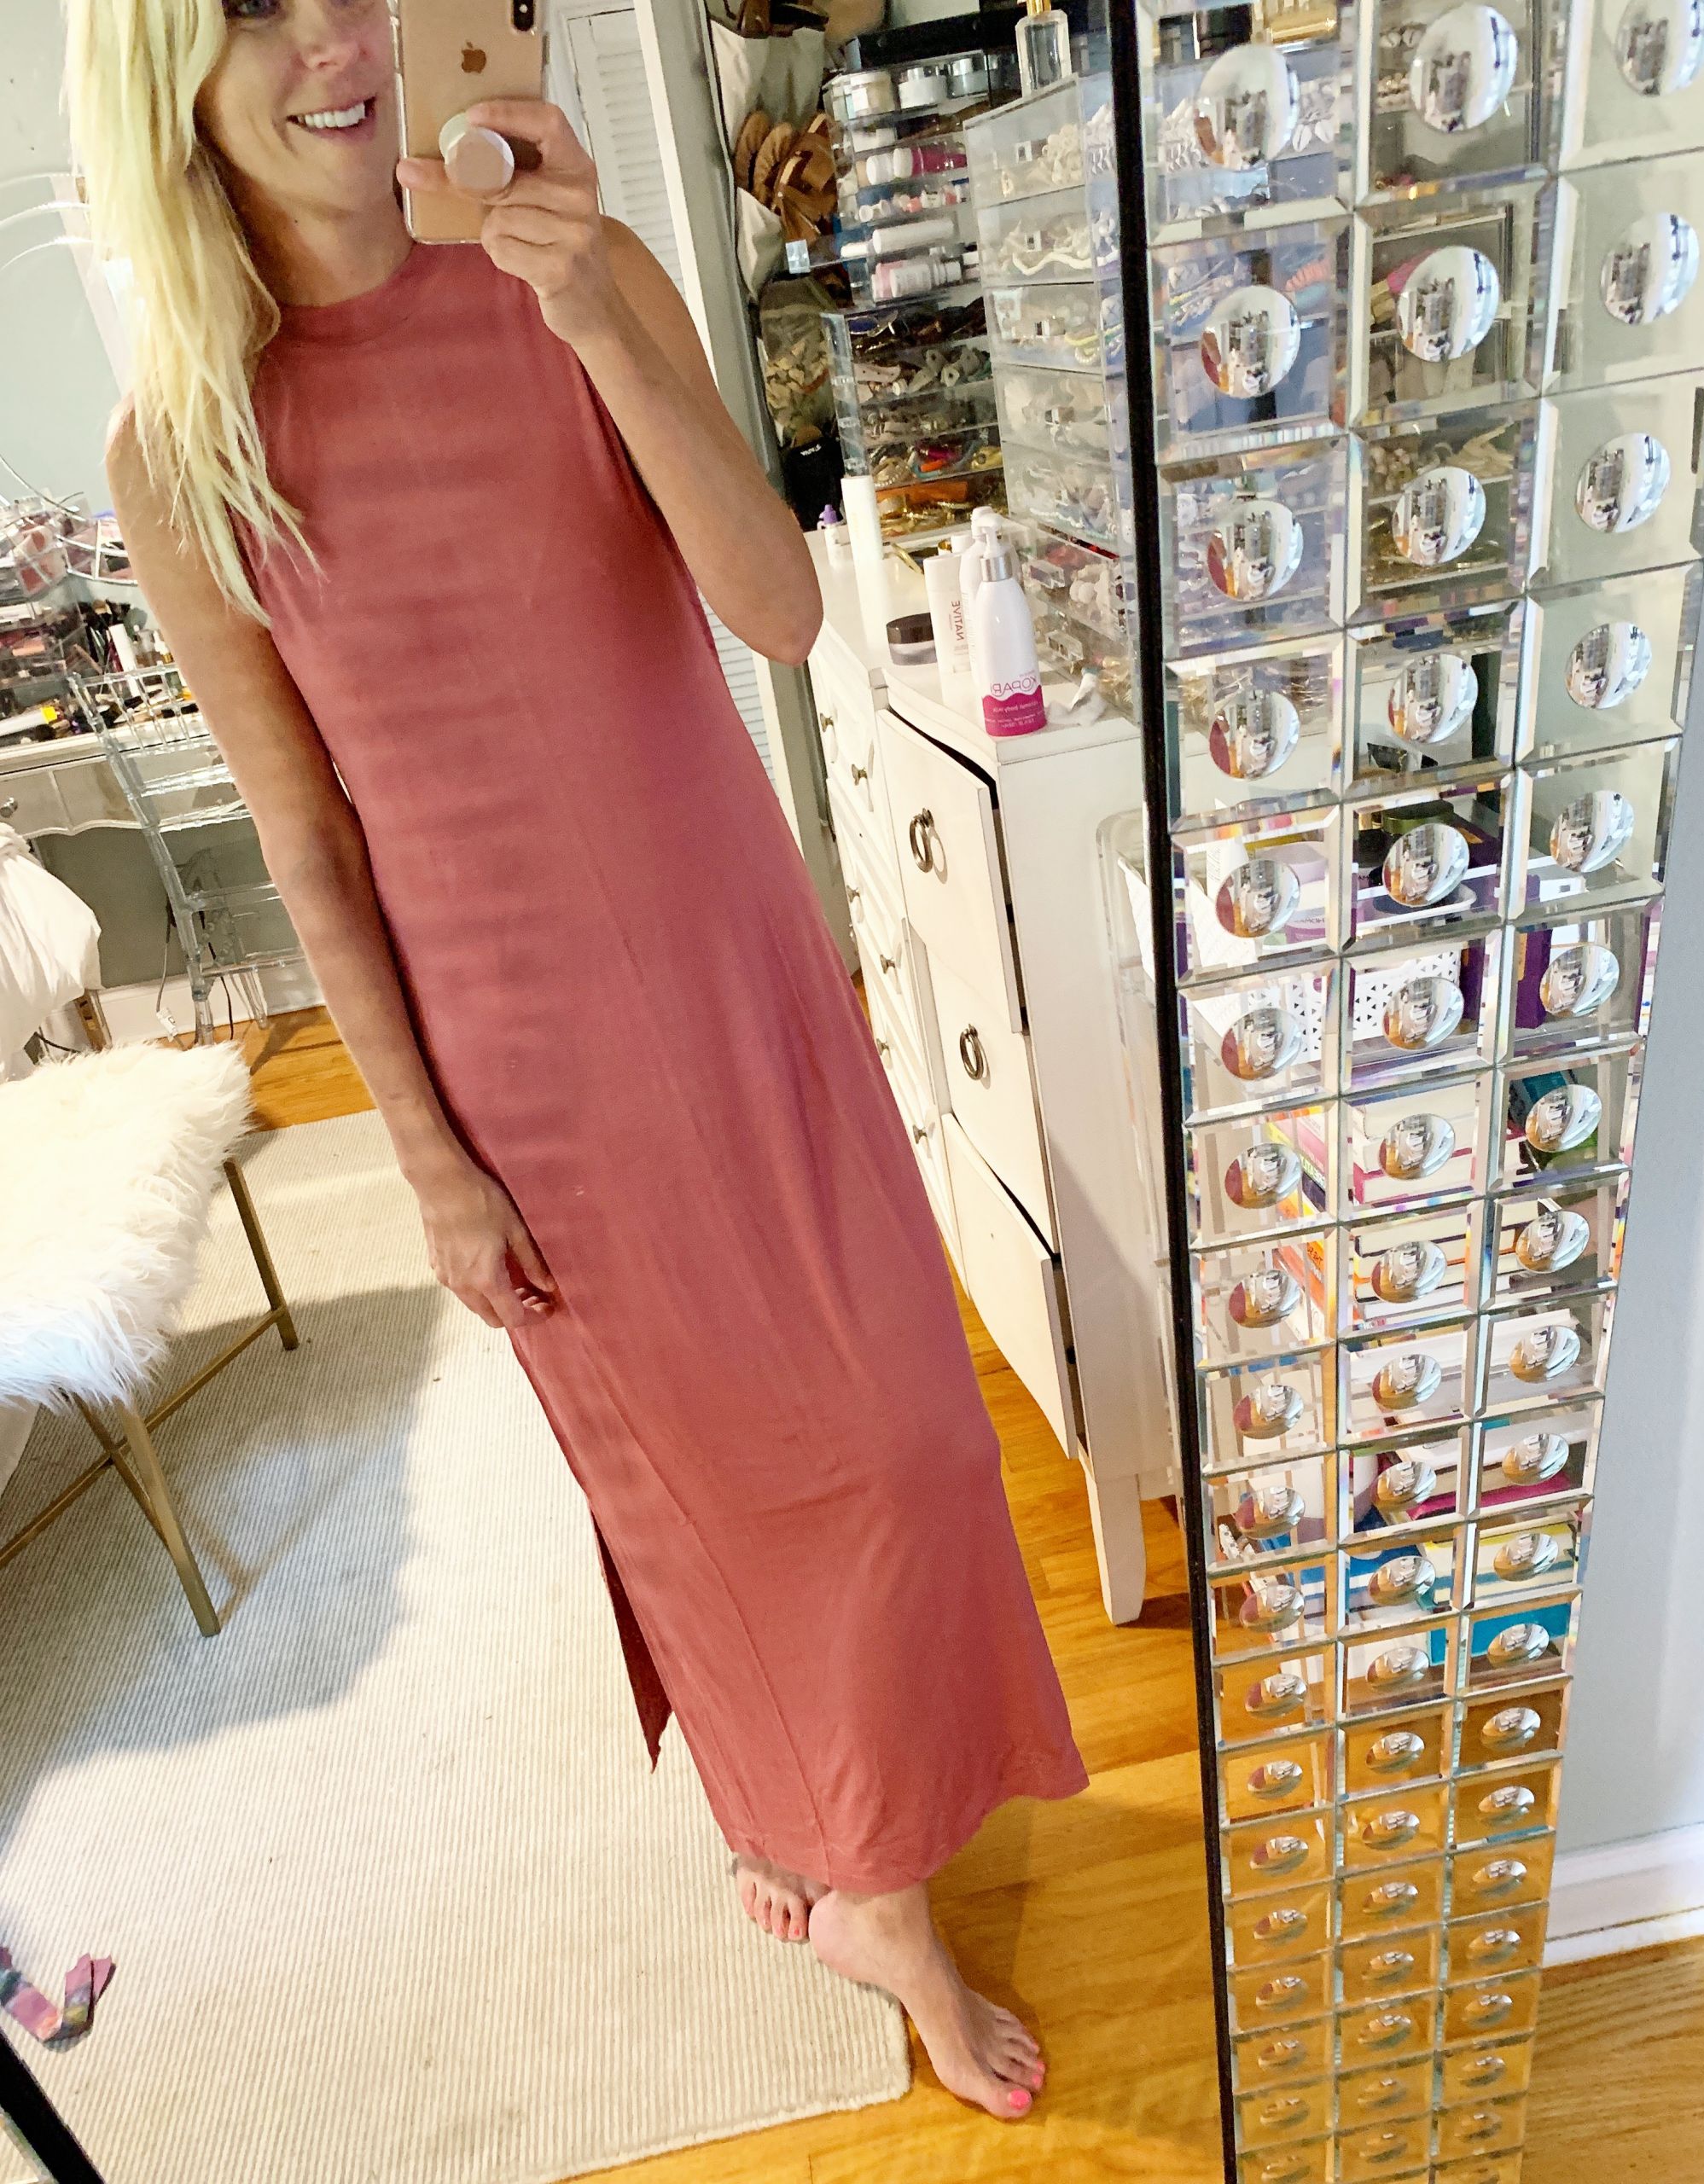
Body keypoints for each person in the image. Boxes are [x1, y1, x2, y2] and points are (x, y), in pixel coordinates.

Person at [67, 0, 1089, 2123]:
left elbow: (777, 614)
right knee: (698, 1491)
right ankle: (855, 1881)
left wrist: (599, 307)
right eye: (251, 9)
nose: (332, 41)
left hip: (736, 976)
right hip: (519, 1066)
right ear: (170, 78)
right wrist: (428, 1157)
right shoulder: (182, 450)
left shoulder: (578, 270)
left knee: (906, 1438)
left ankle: (832, 1822)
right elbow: (306, 838)